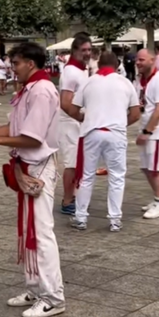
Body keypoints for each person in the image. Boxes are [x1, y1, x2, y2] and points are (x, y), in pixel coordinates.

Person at [0, 42, 65, 317]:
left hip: (38, 166)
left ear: (30, 63)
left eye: (15, 63)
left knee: (40, 234)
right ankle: (36, 288)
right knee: (29, 231)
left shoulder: (41, 90)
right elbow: (16, 127)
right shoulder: (30, 89)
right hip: (27, 165)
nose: (12, 68)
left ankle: (53, 296)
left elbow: (32, 137)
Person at [67, 51, 141, 231]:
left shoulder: (88, 81)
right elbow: (136, 113)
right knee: (117, 177)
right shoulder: (125, 83)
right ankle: (115, 219)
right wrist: (122, 123)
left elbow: (72, 108)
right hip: (115, 133)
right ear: (117, 65)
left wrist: (84, 118)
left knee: (87, 176)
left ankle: (81, 217)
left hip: (92, 132)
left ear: (99, 65)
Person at [134, 49, 159, 219]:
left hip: (157, 132)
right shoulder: (141, 80)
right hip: (147, 129)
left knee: (155, 169)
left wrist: (147, 131)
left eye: (142, 59)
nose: (138, 62)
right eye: (137, 60)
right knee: (145, 167)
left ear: (152, 60)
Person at [58, 34, 92, 215]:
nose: (87, 53)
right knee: (71, 163)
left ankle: (76, 196)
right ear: (75, 51)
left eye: (89, 49)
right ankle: (67, 200)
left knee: (79, 161)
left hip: (77, 120)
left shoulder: (82, 69)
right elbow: (65, 102)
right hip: (70, 121)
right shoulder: (71, 71)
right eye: (83, 50)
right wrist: (81, 118)